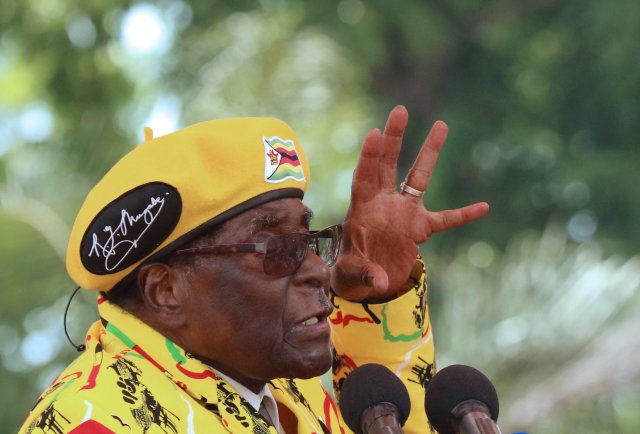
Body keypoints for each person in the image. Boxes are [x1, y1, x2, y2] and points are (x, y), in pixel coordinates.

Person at [18, 106, 488, 434]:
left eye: (308, 241)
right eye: (277, 248)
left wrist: (376, 303)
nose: (319, 273)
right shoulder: (90, 422)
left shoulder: (274, 388)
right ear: (166, 292)